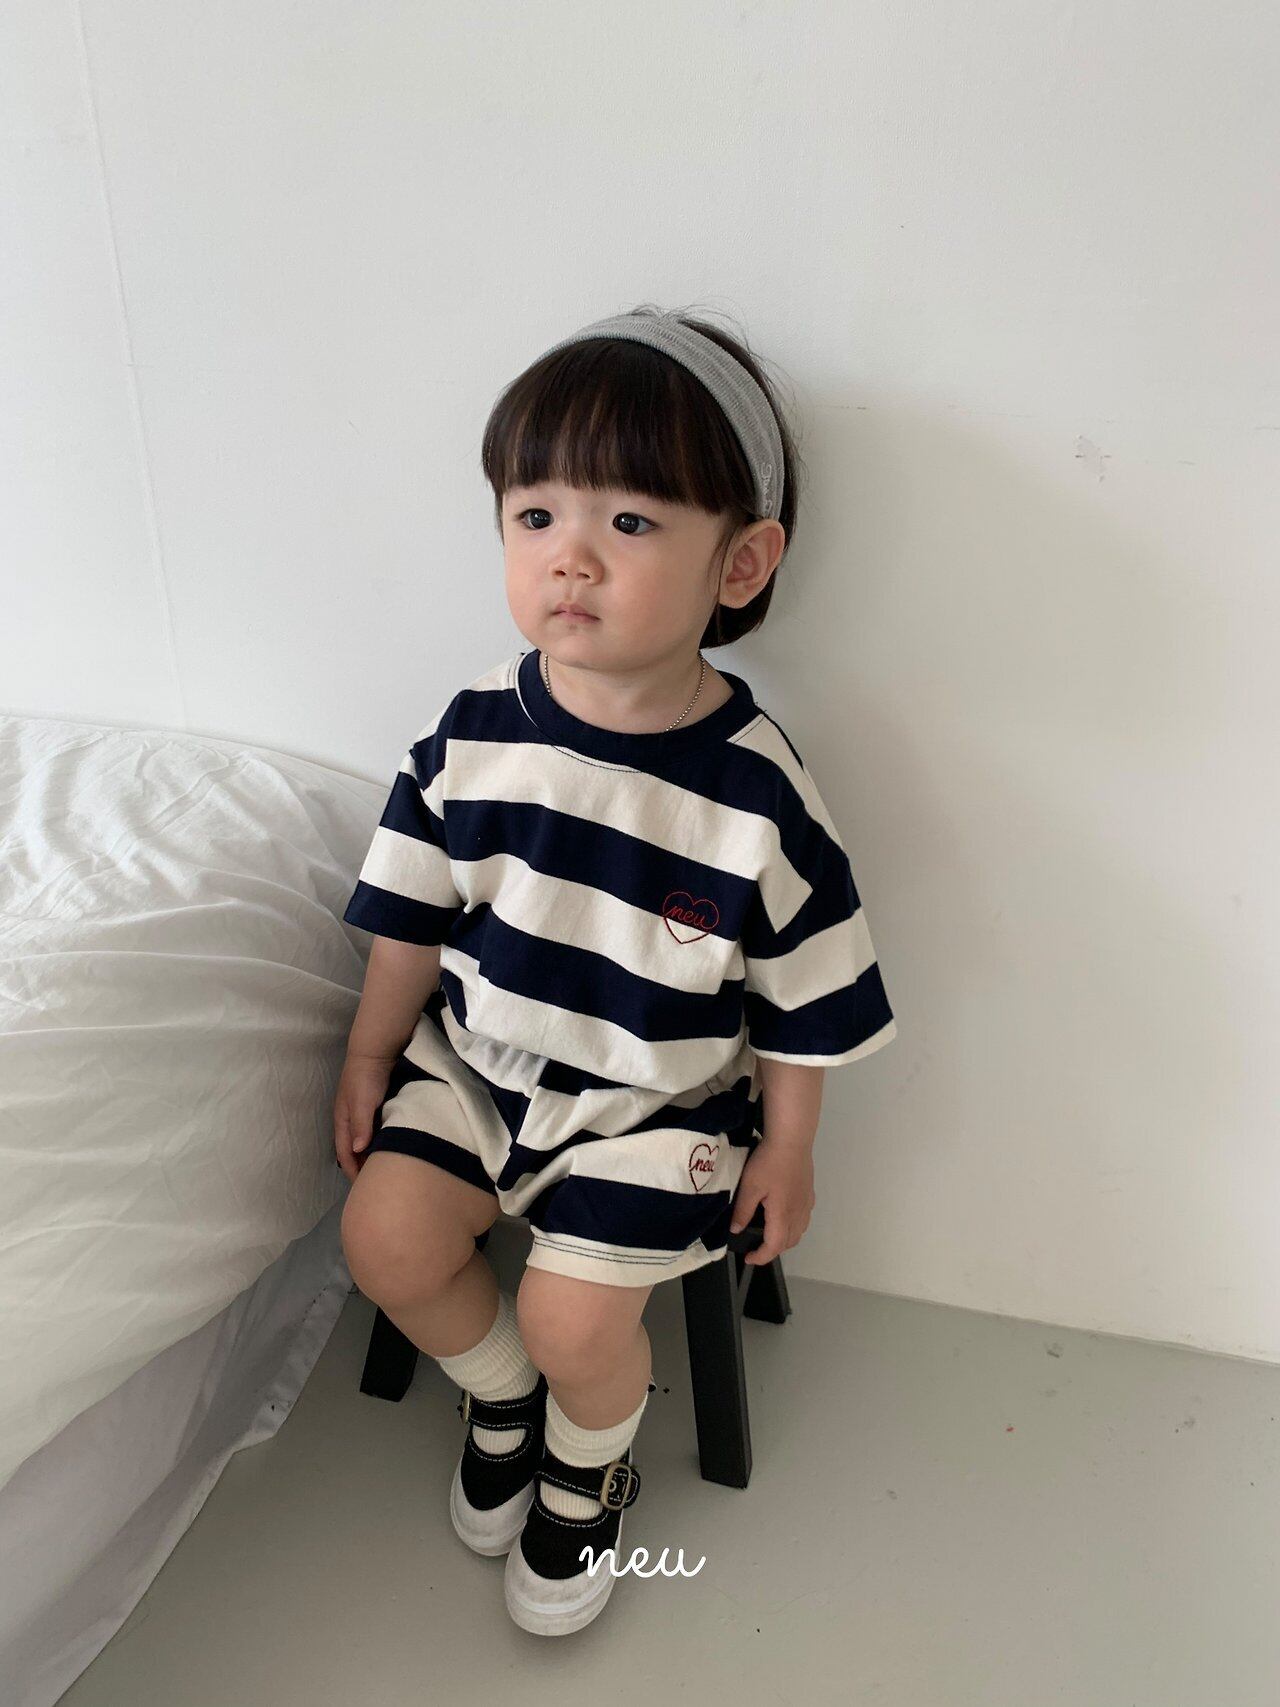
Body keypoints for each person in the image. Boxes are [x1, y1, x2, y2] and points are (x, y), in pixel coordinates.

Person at [333, 303, 897, 1638]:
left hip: (657, 1108)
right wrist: (368, 1051)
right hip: (479, 1068)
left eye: (630, 522)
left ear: (740, 563)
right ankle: (503, 1397)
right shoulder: (476, 730)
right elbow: (410, 911)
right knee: (384, 1239)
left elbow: (805, 997)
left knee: (580, 1322)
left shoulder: (756, 793)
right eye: (535, 515)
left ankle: (587, 1467)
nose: (569, 556)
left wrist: (792, 1146)